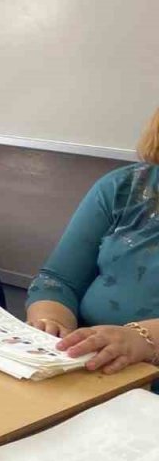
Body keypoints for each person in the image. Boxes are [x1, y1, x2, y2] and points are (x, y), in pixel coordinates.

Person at [27, 106, 159, 374]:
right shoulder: (125, 188)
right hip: (90, 373)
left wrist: (142, 339)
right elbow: (58, 280)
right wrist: (50, 321)